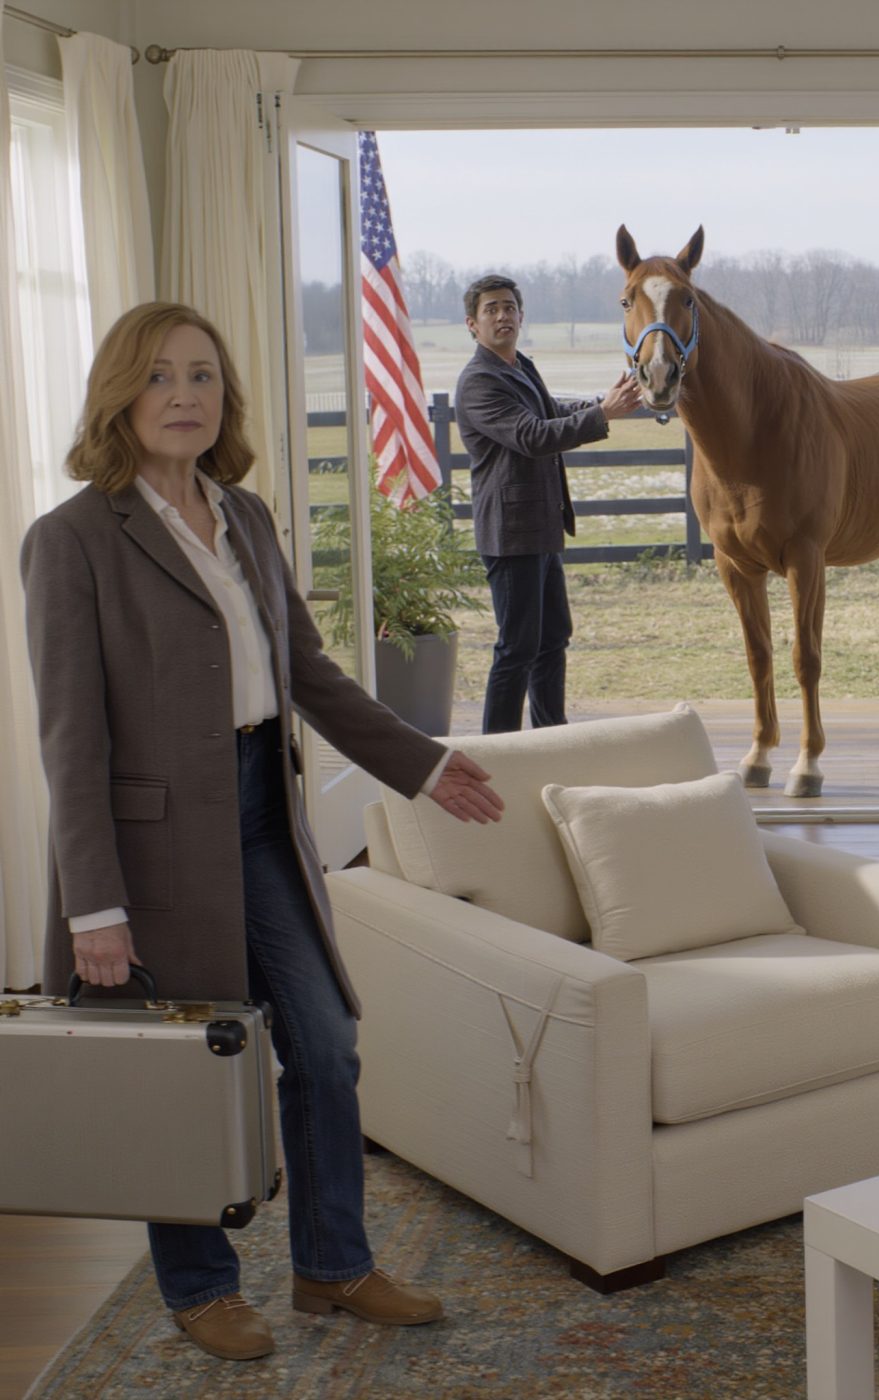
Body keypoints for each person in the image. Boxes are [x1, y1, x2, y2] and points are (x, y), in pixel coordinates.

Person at [21, 302, 505, 1362]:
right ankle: (201, 1285)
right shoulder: (70, 540)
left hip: (259, 818)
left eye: (202, 375)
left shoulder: (245, 517)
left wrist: (421, 762)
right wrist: (91, 902)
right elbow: (70, 738)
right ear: (119, 395)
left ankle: (334, 1265)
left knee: (325, 1044)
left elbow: (308, 674)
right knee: (183, 1069)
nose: (184, 395)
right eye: (159, 377)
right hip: (146, 849)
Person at [454, 274, 642, 733]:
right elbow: (532, 435)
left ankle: (551, 735)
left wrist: (602, 402)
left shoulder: (519, 366)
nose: (502, 316)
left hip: (541, 526)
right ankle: (498, 750)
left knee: (553, 638)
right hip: (511, 533)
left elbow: (549, 410)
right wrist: (603, 415)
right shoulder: (479, 381)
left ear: (521, 316)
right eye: (491, 309)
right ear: (472, 325)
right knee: (517, 648)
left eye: (509, 307)